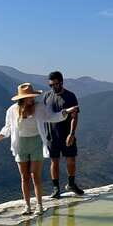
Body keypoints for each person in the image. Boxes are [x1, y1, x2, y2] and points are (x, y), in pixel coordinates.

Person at [0, 83, 78, 216]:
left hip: (36, 143)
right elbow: (7, 128)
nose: (32, 98)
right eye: (30, 97)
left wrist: (67, 111)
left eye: (33, 96)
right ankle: (27, 206)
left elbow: (52, 116)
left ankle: (39, 205)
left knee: (35, 175)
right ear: (23, 98)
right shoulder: (12, 110)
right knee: (24, 177)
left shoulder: (39, 107)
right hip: (21, 144)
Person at [43, 70, 84, 198]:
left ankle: (71, 184)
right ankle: (56, 189)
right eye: (51, 85)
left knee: (71, 160)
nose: (53, 87)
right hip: (51, 135)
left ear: (61, 82)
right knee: (54, 161)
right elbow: (43, 115)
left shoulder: (70, 96)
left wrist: (71, 134)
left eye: (55, 84)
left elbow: (74, 117)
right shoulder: (47, 96)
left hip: (66, 134)